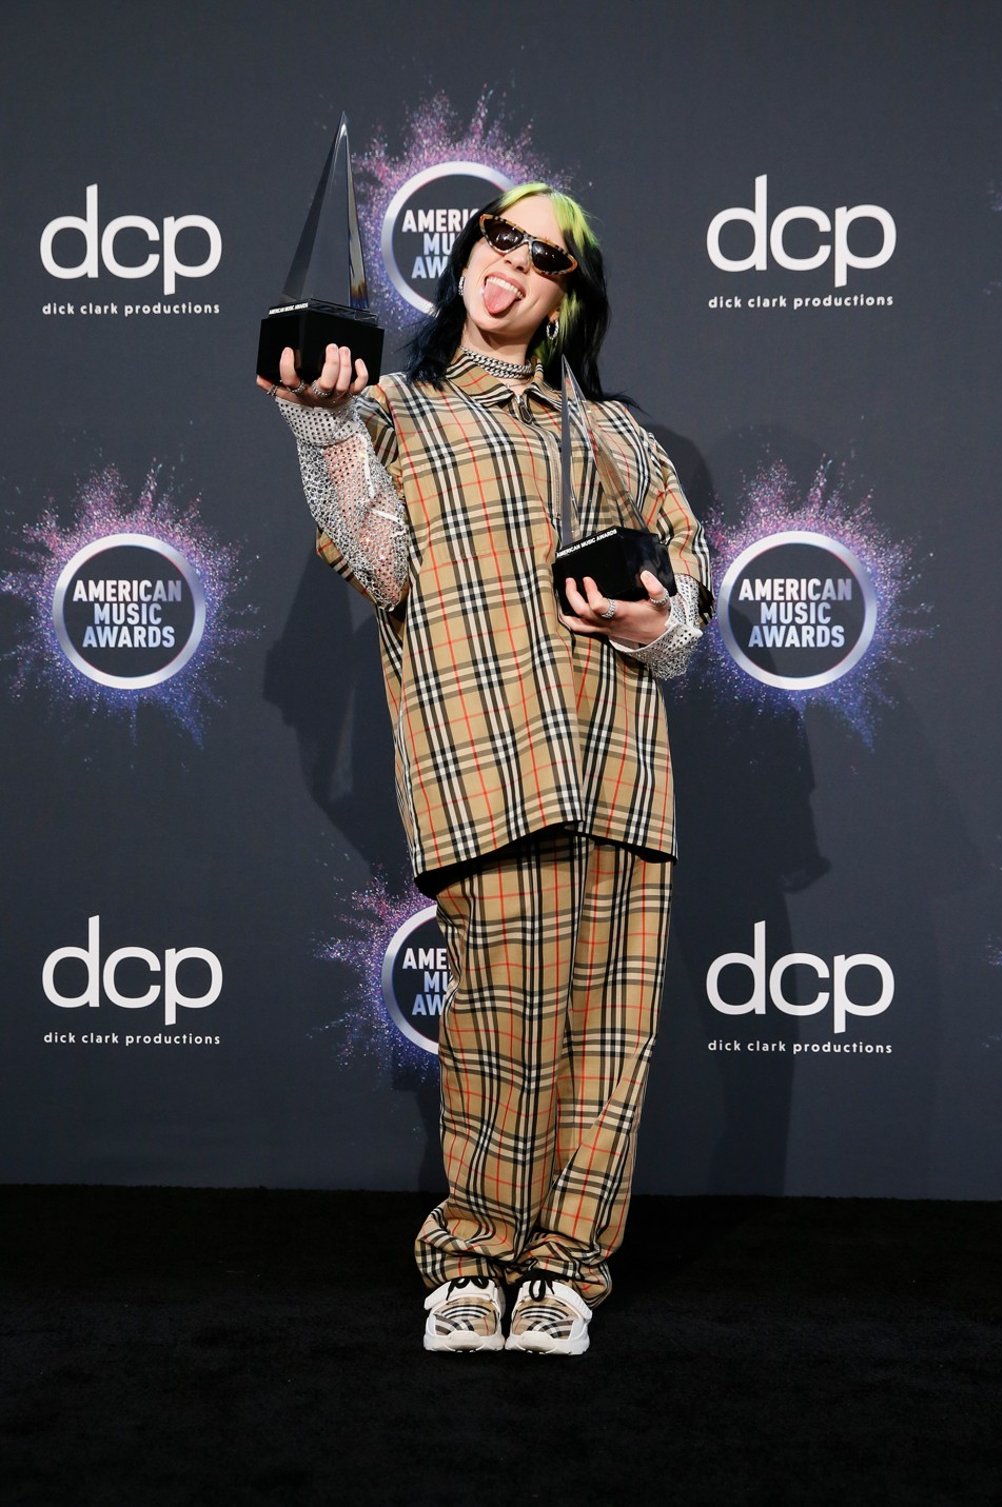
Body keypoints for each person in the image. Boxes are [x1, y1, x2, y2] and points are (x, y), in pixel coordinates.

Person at [259, 183, 712, 1356]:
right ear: (467, 254)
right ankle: (473, 1258)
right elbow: (377, 562)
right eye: (498, 238)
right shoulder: (396, 413)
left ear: (568, 297)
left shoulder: (622, 439)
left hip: (617, 766)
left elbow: (686, 617)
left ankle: (566, 1269)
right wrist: (318, 428)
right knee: (500, 1031)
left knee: (609, 1038)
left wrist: (653, 624)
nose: (512, 261)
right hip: (483, 764)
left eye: (545, 256)